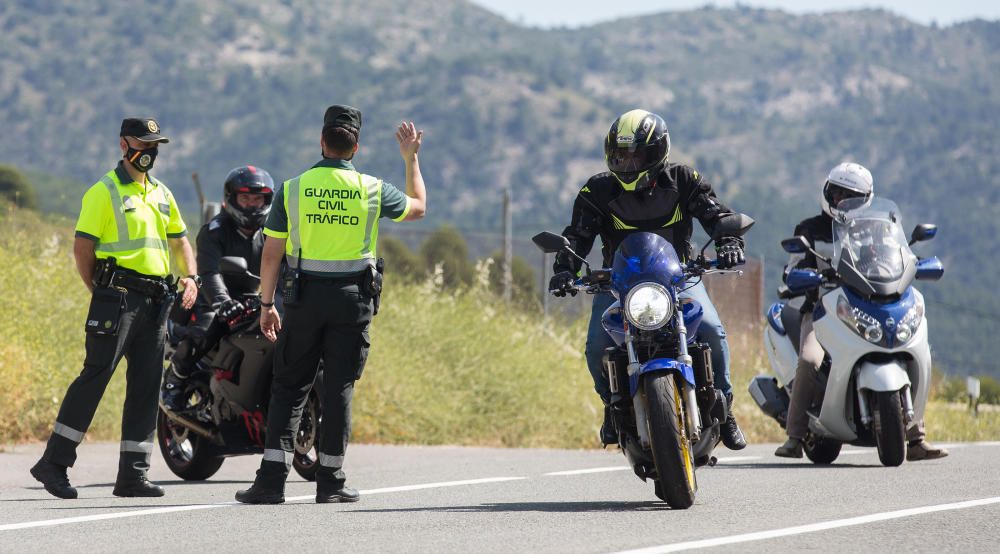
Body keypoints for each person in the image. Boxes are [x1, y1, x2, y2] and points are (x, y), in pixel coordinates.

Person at [235, 105, 427, 504]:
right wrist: (411, 160)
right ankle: (331, 481)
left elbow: (271, 253)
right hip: (352, 303)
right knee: (338, 388)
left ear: (322, 142)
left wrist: (265, 303)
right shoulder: (373, 189)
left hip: (302, 301)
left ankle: (271, 482)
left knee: (289, 386)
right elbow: (418, 206)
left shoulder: (293, 188)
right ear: (355, 146)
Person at [550, 109, 748, 450]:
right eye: (620, 154)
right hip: (618, 283)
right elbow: (578, 234)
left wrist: (728, 240)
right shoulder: (597, 189)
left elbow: (716, 213)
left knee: (712, 331)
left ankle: (725, 409)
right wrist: (566, 268)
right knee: (597, 346)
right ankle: (613, 407)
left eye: (635, 154)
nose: (626, 162)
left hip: (679, 279)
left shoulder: (684, 179)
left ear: (658, 152)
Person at [30, 118, 199, 499]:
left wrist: (191, 277)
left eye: (155, 145)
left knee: (145, 388)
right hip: (117, 298)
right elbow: (82, 250)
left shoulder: (161, 193)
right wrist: (100, 291)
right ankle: (53, 464)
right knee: (95, 377)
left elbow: (181, 242)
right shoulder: (103, 192)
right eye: (144, 144)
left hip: (157, 301)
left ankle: (133, 476)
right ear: (124, 145)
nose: (150, 152)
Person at [774, 162, 948, 461]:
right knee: (809, 359)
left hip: (869, 304)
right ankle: (795, 435)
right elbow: (792, 268)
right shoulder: (810, 229)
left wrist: (915, 264)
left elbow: (899, 254)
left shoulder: (878, 228)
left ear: (867, 197)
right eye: (837, 192)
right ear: (827, 193)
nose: (842, 200)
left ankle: (916, 437)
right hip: (822, 308)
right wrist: (803, 276)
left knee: (918, 351)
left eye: (850, 194)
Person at [161, 165, 274, 411]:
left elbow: (285, 267)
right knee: (208, 326)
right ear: (232, 199)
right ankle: (174, 381)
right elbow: (209, 273)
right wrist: (223, 303)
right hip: (211, 299)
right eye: (245, 198)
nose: (252, 205)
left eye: (258, 199)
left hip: (252, 299)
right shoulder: (214, 231)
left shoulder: (271, 233)